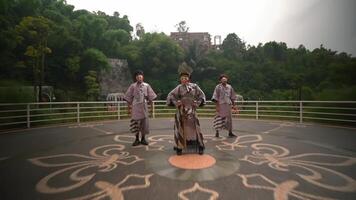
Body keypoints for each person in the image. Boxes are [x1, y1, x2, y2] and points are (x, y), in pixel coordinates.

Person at [167, 70, 206, 155]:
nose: (184, 79)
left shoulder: (195, 87)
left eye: (186, 77)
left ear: (189, 79)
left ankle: (200, 145)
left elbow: (202, 95)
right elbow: (171, 95)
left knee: (195, 128)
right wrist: (176, 102)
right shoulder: (179, 87)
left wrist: (198, 103)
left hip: (192, 109)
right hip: (182, 110)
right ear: (180, 79)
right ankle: (179, 146)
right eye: (182, 78)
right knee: (181, 128)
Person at [124, 70, 157, 146]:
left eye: (141, 76)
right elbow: (128, 97)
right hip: (135, 106)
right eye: (138, 76)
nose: (139, 77)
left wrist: (152, 108)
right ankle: (136, 139)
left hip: (144, 106)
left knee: (144, 123)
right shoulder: (132, 86)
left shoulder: (147, 85)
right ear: (136, 78)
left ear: (143, 77)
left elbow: (151, 97)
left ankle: (143, 138)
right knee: (135, 123)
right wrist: (128, 108)